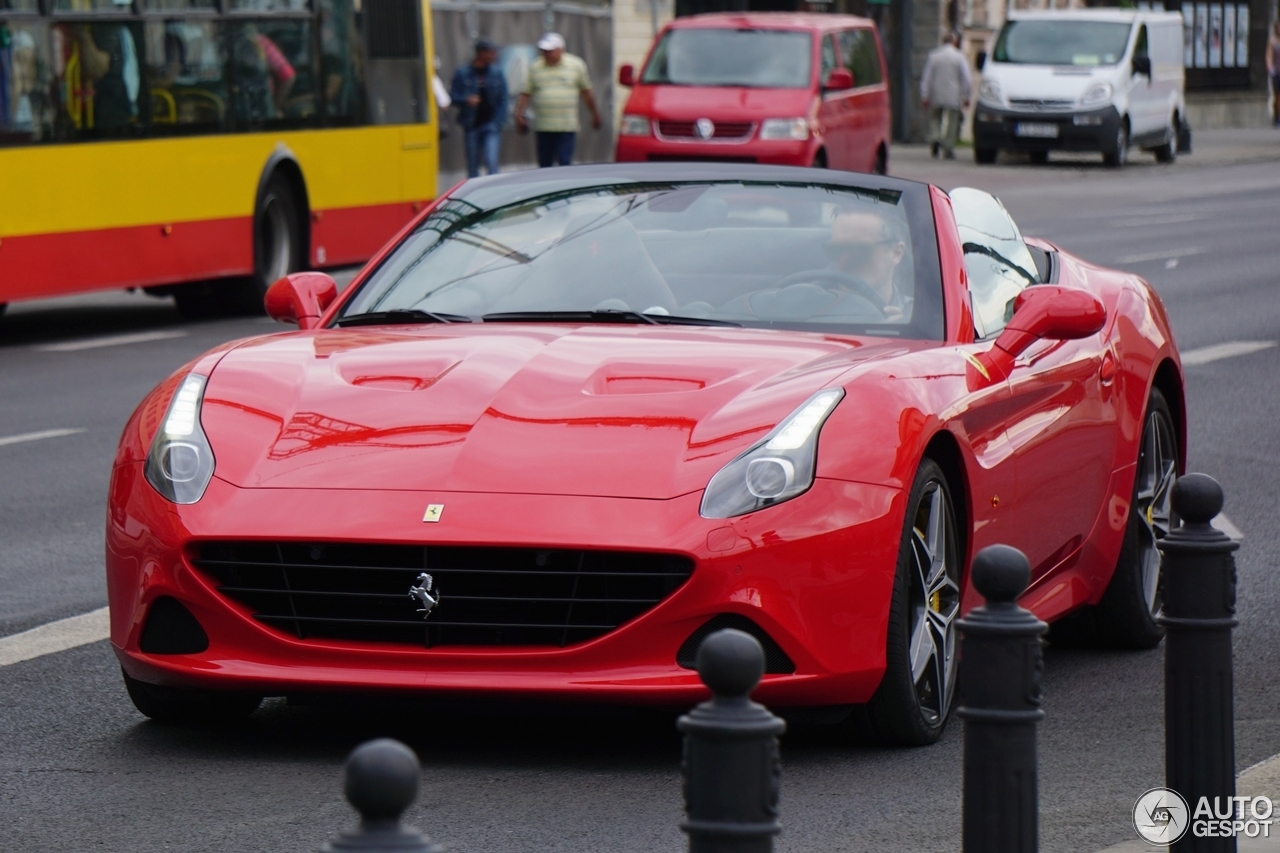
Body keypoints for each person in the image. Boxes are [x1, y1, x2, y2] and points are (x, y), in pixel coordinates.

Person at [515, 32, 601, 167]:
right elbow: (526, 93)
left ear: (561, 49)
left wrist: (595, 114)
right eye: (544, 51)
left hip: (566, 125)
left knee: (564, 162)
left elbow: (586, 92)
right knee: (545, 164)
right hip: (544, 126)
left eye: (550, 50)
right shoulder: (536, 67)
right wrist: (519, 114)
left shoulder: (576, 65)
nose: (547, 54)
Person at [823, 210, 910, 321]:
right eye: (836, 250)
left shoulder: (919, 319)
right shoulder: (807, 311)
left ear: (896, 253)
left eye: (859, 250)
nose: (844, 261)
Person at [450, 38, 508, 177]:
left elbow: (504, 98)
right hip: (472, 125)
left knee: (491, 162)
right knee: (473, 165)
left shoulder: (496, 73)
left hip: (491, 125)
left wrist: (498, 122)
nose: (494, 55)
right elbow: (451, 96)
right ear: (481, 54)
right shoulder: (463, 73)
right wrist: (466, 100)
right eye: (491, 52)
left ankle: (495, 194)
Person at [920, 32, 972, 160]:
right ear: (954, 42)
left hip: (936, 93)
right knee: (952, 122)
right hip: (953, 94)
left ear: (943, 41)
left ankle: (935, 138)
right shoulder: (959, 57)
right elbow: (966, 79)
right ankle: (948, 147)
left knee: (935, 118)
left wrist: (925, 95)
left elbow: (926, 77)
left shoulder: (934, 56)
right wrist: (967, 96)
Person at [1268, 22, 1280, 127]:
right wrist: (1271, 69)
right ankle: (1277, 118)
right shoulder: (1273, 41)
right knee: (1277, 96)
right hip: (1277, 72)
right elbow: (1269, 56)